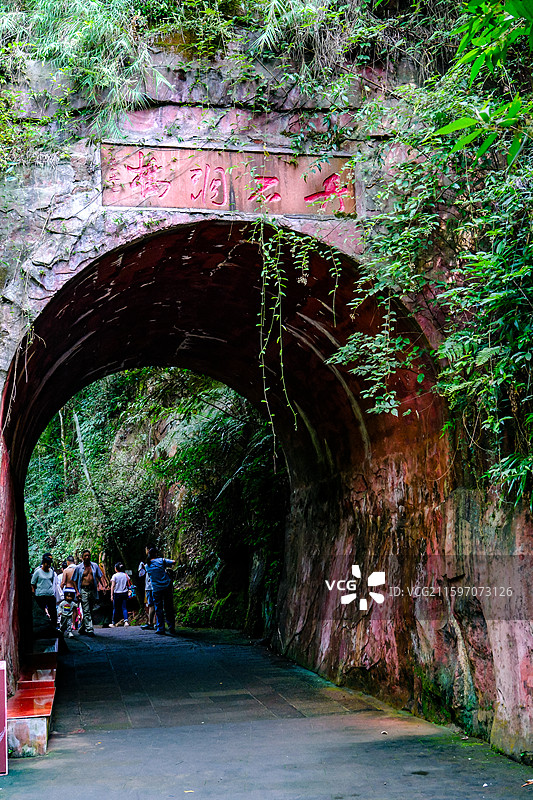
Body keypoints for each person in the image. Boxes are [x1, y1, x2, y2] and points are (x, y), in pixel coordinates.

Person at [144, 547, 176, 636]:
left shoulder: (147, 566)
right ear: (156, 554)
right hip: (166, 586)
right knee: (168, 607)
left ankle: (160, 628)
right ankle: (171, 627)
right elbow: (173, 562)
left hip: (156, 589)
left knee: (158, 608)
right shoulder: (161, 561)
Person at [73, 550, 102, 637]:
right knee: (86, 610)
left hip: (92, 590)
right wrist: (77, 592)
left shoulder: (95, 566)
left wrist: (103, 585)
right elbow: (74, 580)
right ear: (82, 557)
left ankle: (82, 628)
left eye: (88, 555)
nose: (87, 557)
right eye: (85, 556)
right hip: (83, 590)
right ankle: (90, 629)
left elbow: (100, 576)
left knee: (91, 610)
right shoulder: (78, 568)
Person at [31, 555, 58, 625]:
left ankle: (53, 626)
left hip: (50, 594)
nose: (48, 565)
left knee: (53, 611)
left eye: (49, 564)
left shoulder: (51, 571)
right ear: (43, 563)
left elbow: (51, 581)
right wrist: (33, 594)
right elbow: (33, 583)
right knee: (41, 611)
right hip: (40, 595)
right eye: (47, 563)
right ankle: (41, 625)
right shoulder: (38, 572)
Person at [139, 546, 156, 630]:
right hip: (158, 586)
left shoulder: (147, 565)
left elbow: (141, 574)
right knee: (157, 605)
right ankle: (157, 623)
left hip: (150, 587)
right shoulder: (160, 562)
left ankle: (151, 623)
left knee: (151, 605)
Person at [110, 563, 131, 627]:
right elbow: (127, 584)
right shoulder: (125, 575)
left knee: (115, 608)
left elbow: (112, 586)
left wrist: (111, 595)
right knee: (124, 607)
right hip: (124, 593)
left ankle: (113, 622)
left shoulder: (115, 576)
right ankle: (126, 621)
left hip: (117, 593)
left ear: (116, 569)